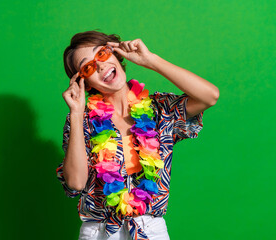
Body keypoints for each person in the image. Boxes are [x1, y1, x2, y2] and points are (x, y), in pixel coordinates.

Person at [56, 30, 219, 240]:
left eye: (102, 54)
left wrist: (150, 60)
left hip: (151, 230)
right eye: (88, 67)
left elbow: (210, 96)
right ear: (84, 82)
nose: (101, 66)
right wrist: (76, 113)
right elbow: (76, 183)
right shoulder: (81, 121)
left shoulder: (159, 109)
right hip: (100, 233)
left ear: (115, 53)